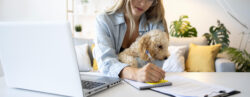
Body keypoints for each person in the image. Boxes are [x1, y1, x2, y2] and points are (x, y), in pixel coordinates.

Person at [93, 0, 169, 82]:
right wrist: (135, 74)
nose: (143, 4)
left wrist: (120, 68)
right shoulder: (104, 20)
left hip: (144, 86)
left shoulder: (156, 22)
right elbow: (105, 62)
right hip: (111, 83)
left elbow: (157, 64)